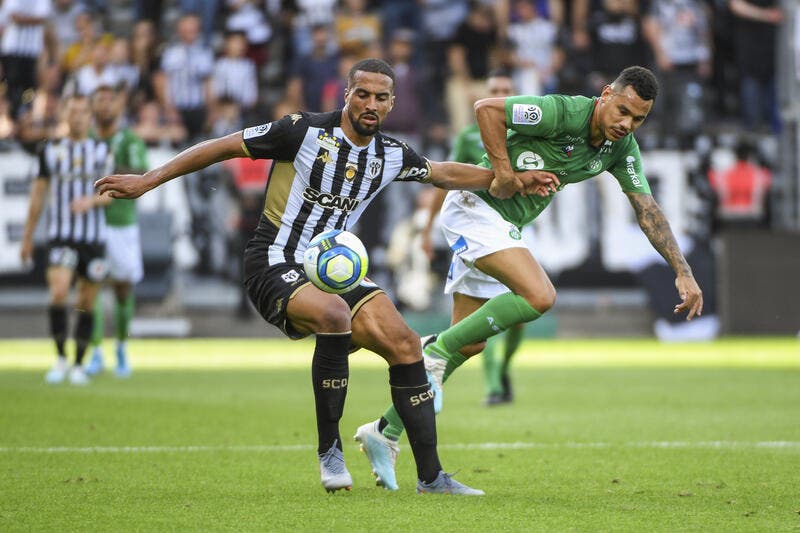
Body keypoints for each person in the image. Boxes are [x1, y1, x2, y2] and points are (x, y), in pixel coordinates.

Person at [95, 58, 551, 495]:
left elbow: (443, 172)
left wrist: (505, 178)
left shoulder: (390, 154)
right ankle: (330, 450)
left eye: (382, 97)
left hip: (332, 268)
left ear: (392, 104)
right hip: (274, 259)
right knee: (336, 315)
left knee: (407, 344)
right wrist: (148, 180)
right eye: (363, 94)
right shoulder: (301, 130)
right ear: (346, 94)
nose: (371, 104)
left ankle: (431, 477)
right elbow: (223, 146)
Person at [357, 65, 704, 488]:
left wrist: (682, 271)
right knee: (540, 296)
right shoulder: (562, 112)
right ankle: (433, 350)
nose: (626, 124)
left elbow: (646, 209)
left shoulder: (620, 149)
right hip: (475, 210)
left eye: (638, 119)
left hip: (505, 227)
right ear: (607, 94)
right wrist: (503, 174)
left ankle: (385, 432)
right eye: (623, 111)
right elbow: (486, 109)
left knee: (470, 341)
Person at [421, 68, 522, 405]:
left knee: (516, 315)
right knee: (492, 314)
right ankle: (493, 385)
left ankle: (494, 370)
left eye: (506, 89)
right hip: (481, 229)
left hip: (519, 233)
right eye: (494, 89)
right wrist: (427, 227)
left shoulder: (531, 132)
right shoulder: (469, 137)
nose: (500, 94)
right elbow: (449, 177)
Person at [20, 94, 114, 386]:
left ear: (89, 116)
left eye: (82, 112)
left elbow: (112, 194)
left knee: (86, 301)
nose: (77, 117)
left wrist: (90, 202)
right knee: (59, 291)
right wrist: (27, 236)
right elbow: (38, 195)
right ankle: (60, 357)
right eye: (72, 112)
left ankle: (78, 364)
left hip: (92, 238)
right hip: (61, 236)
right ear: (64, 115)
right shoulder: (50, 151)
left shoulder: (102, 151)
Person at [85, 86, 149, 378]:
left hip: (120, 223)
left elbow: (137, 179)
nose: (106, 106)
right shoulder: (83, 141)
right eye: (100, 100)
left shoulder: (129, 140)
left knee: (122, 288)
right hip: (87, 224)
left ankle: (121, 346)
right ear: (92, 106)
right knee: (91, 286)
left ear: (118, 108)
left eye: (110, 101)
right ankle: (96, 350)